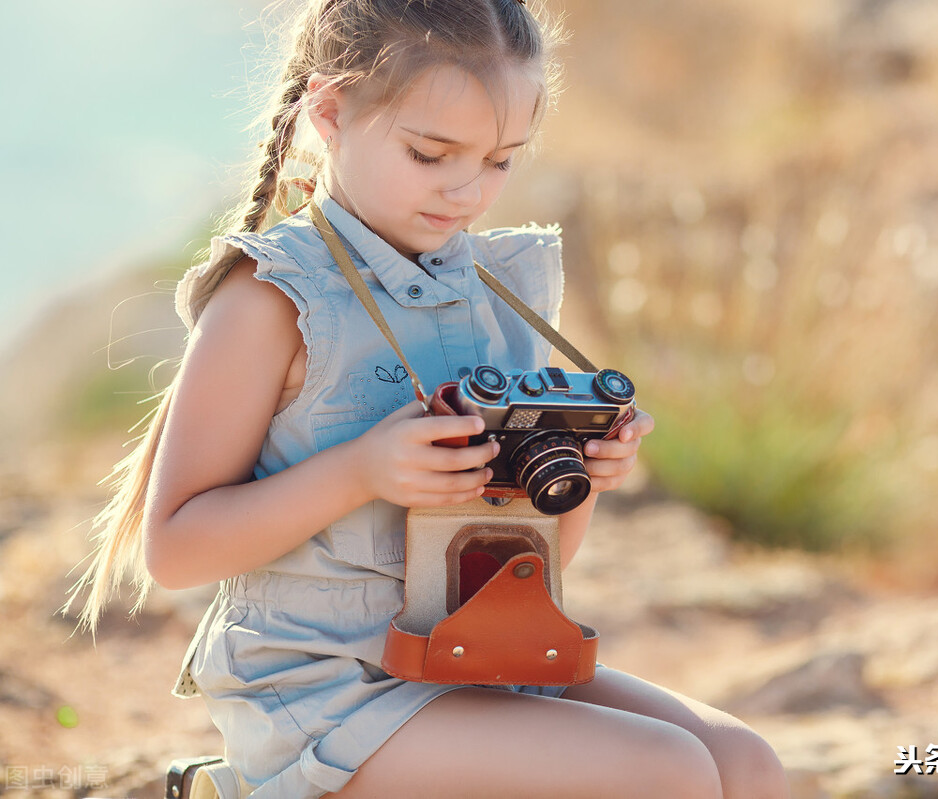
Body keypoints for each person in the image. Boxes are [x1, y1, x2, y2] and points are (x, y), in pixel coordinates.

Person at [66, 0, 789, 796]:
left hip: (481, 658)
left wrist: (577, 474)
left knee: (747, 765)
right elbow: (176, 550)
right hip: (328, 692)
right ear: (330, 110)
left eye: (500, 160)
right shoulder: (271, 299)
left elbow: (531, 565)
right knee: (668, 773)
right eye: (430, 154)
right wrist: (362, 471)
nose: (467, 193)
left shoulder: (496, 293)